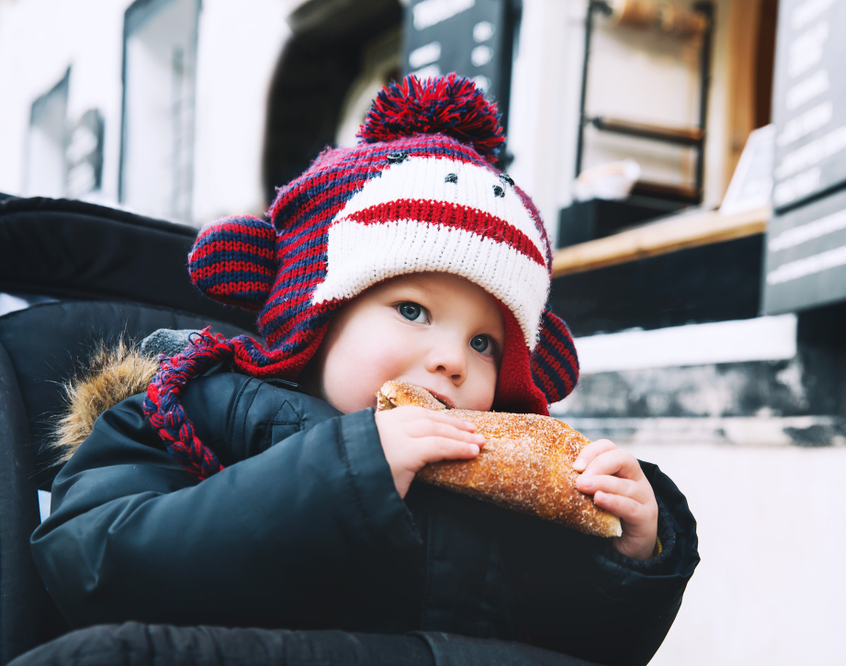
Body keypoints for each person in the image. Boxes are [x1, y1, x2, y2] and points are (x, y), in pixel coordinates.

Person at [28, 74, 698, 666]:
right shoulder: (196, 412)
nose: (452, 359)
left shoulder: (496, 489)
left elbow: (572, 643)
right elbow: (93, 564)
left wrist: (630, 561)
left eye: (485, 344)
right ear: (315, 318)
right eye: (411, 309)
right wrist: (347, 471)